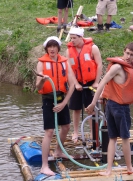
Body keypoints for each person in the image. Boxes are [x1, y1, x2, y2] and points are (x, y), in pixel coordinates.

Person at [85, 42, 133, 175]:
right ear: (124, 51)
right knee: (120, 138)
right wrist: (93, 103)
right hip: (116, 107)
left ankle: (111, 169)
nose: (128, 57)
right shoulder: (116, 67)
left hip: (115, 106)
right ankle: (127, 167)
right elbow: (102, 83)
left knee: (115, 138)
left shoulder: (131, 67)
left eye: (132, 55)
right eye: (127, 53)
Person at [36, 36, 75, 176]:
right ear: (46, 48)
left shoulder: (64, 62)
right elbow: (38, 86)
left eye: (54, 46)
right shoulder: (41, 63)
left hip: (61, 99)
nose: (52, 49)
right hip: (48, 100)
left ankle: (59, 150)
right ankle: (44, 166)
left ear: (58, 48)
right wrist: (42, 79)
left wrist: (64, 103)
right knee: (49, 131)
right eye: (49, 47)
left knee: (66, 127)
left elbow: (72, 86)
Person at [66, 27, 103, 143]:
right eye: (71, 38)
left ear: (81, 38)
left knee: (91, 109)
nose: (72, 40)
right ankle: (75, 132)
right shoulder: (69, 51)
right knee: (75, 108)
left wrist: (97, 82)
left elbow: (99, 65)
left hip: (91, 82)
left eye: (75, 38)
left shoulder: (93, 48)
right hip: (76, 83)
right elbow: (69, 70)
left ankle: (93, 133)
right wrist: (76, 84)